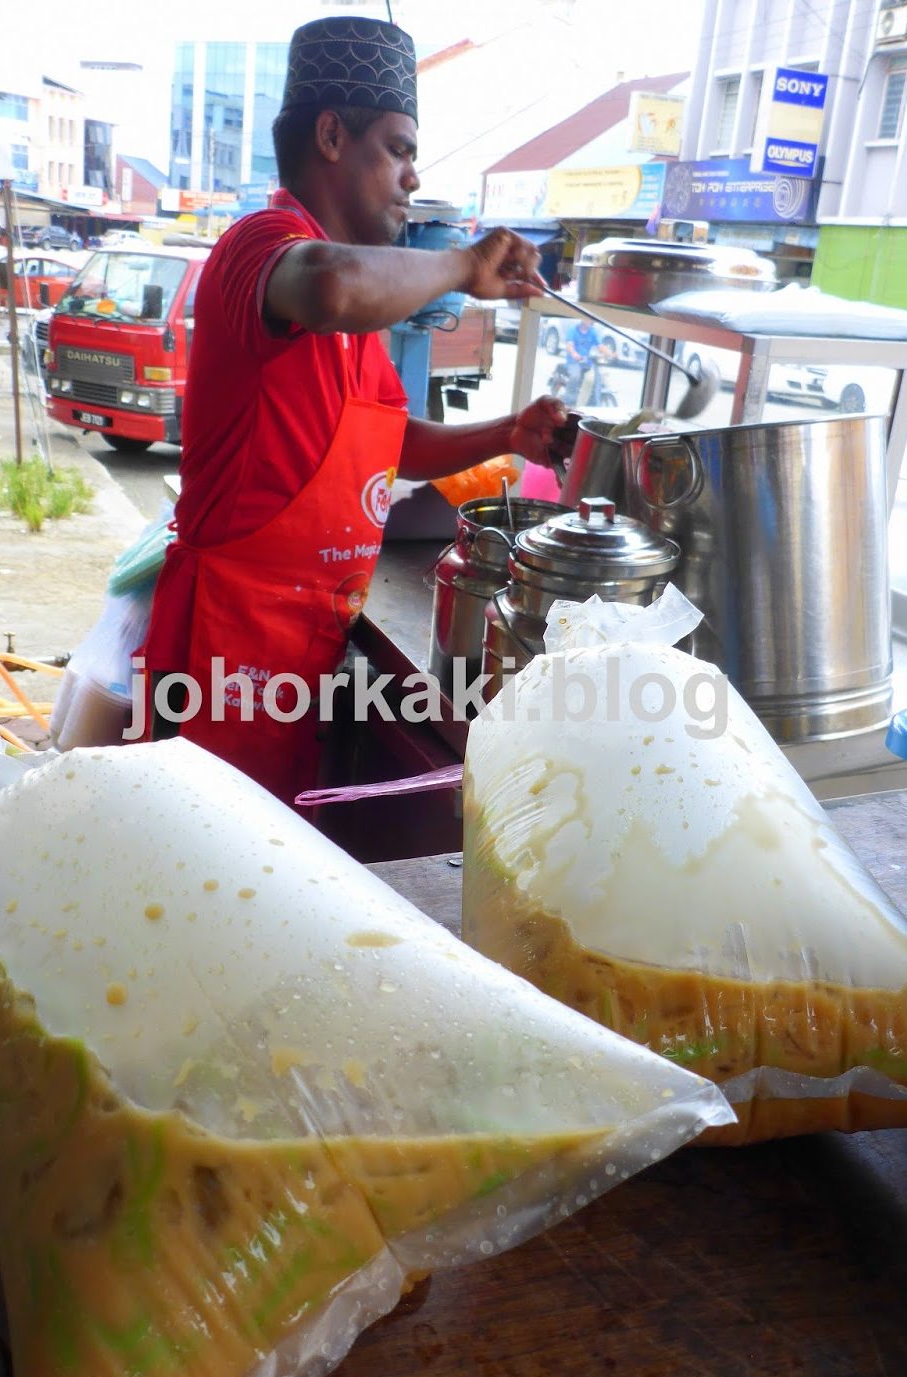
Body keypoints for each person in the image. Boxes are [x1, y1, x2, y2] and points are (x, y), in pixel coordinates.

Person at [142, 14, 566, 802]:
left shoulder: (358, 320)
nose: (411, 178)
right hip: (226, 651)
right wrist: (466, 264)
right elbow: (330, 283)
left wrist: (508, 433)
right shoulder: (261, 246)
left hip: (304, 643)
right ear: (332, 135)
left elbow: (384, 444)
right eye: (400, 150)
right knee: (202, 878)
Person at [561, 317, 611, 407]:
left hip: (587, 363)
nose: (589, 321)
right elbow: (569, 345)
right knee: (575, 376)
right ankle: (569, 401)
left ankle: (586, 402)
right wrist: (574, 354)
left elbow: (600, 346)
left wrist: (609, 353)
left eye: (591, 320)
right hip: (573, 362)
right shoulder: (573, 330)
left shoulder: (592, 332)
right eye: (587, 319)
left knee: (594, 379)